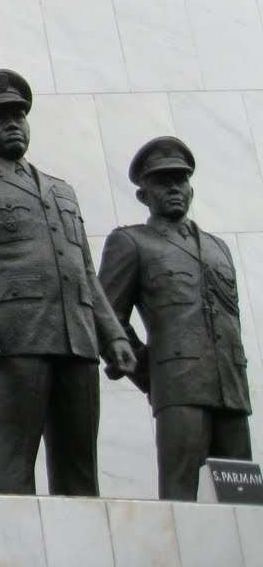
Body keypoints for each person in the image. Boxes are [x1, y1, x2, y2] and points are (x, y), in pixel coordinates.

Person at [0, 68, 137, 495]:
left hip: (77, 339)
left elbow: (85, 273)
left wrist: (113, 334)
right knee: (12, 454)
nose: (12, 123)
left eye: (18, 115)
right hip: (16, 335)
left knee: (80, 463)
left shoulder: (62, 191)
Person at [98, 135, 252, 500]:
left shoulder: (218, 248)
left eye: (180, 180)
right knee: (180, 494)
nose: (174, 189)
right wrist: (149, 374)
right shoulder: (132, 242)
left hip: (230, 386)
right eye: (162, 182)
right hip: (178, 385)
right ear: (143, 194)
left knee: (245, 497)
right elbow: (105, 316)